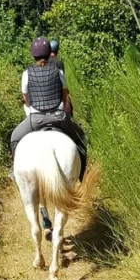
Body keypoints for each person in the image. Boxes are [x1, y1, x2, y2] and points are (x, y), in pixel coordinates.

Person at [9, 37, 87, 180]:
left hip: (36, 120)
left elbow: (26, 99)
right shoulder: (58, 71)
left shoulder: (27, 74)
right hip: (59, 118)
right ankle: (81, 173)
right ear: (49, 52)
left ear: (33, 55)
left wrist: (31, 106)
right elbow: (65, 94)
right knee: (81, 136)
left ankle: (15, 172)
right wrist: (64, 110)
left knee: (14, 138)